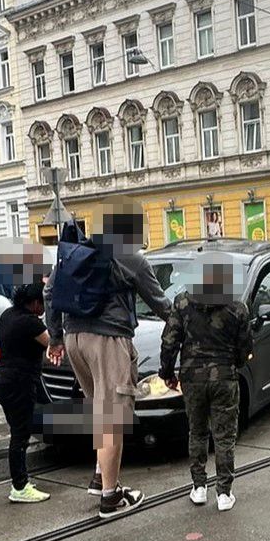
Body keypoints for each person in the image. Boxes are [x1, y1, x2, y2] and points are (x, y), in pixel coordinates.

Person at [45, 200, 172, 518]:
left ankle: (101, 476)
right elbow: (160, 304)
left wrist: (57, 338)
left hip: (75, 340)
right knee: (113, 418)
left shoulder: (76, 250)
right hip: (108, 340)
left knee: (99, 412)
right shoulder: (132, 257)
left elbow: (50, 293)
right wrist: (188, 324)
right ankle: (111, 498)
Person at [160, 255, 253, 512]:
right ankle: (224, 493)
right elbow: (245, 349)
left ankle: (199, 487)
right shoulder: (237, 307)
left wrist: (167, 372)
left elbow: (169, 342)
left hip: (192, 379)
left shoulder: (182, 303)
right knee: (224, 436)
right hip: (224, 378)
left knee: (197, 432)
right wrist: (233, 364)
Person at [0, 282, 52, 504]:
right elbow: (51, 343)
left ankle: (21, 481)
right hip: (20, 382)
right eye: (43, 303)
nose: (45, 308)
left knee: (19, 430)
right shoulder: (30, 323)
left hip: (3, 380)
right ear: (35, 303)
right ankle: (19, 486)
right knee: (20, 434)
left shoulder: (7, 315)